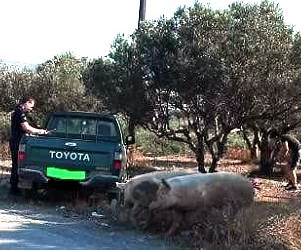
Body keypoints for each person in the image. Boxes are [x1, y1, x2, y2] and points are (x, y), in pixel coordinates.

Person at [9, 97, 48, 195]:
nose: (32, 109)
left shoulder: (22, 112)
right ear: (27, 103)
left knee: (17, 163)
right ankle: (13, 189)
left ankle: (15, 187)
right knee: (16, 164)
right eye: (31, 106)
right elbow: (26, 128)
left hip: (19, 140)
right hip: (17, 141)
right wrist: (40, 132)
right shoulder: (19, 112)